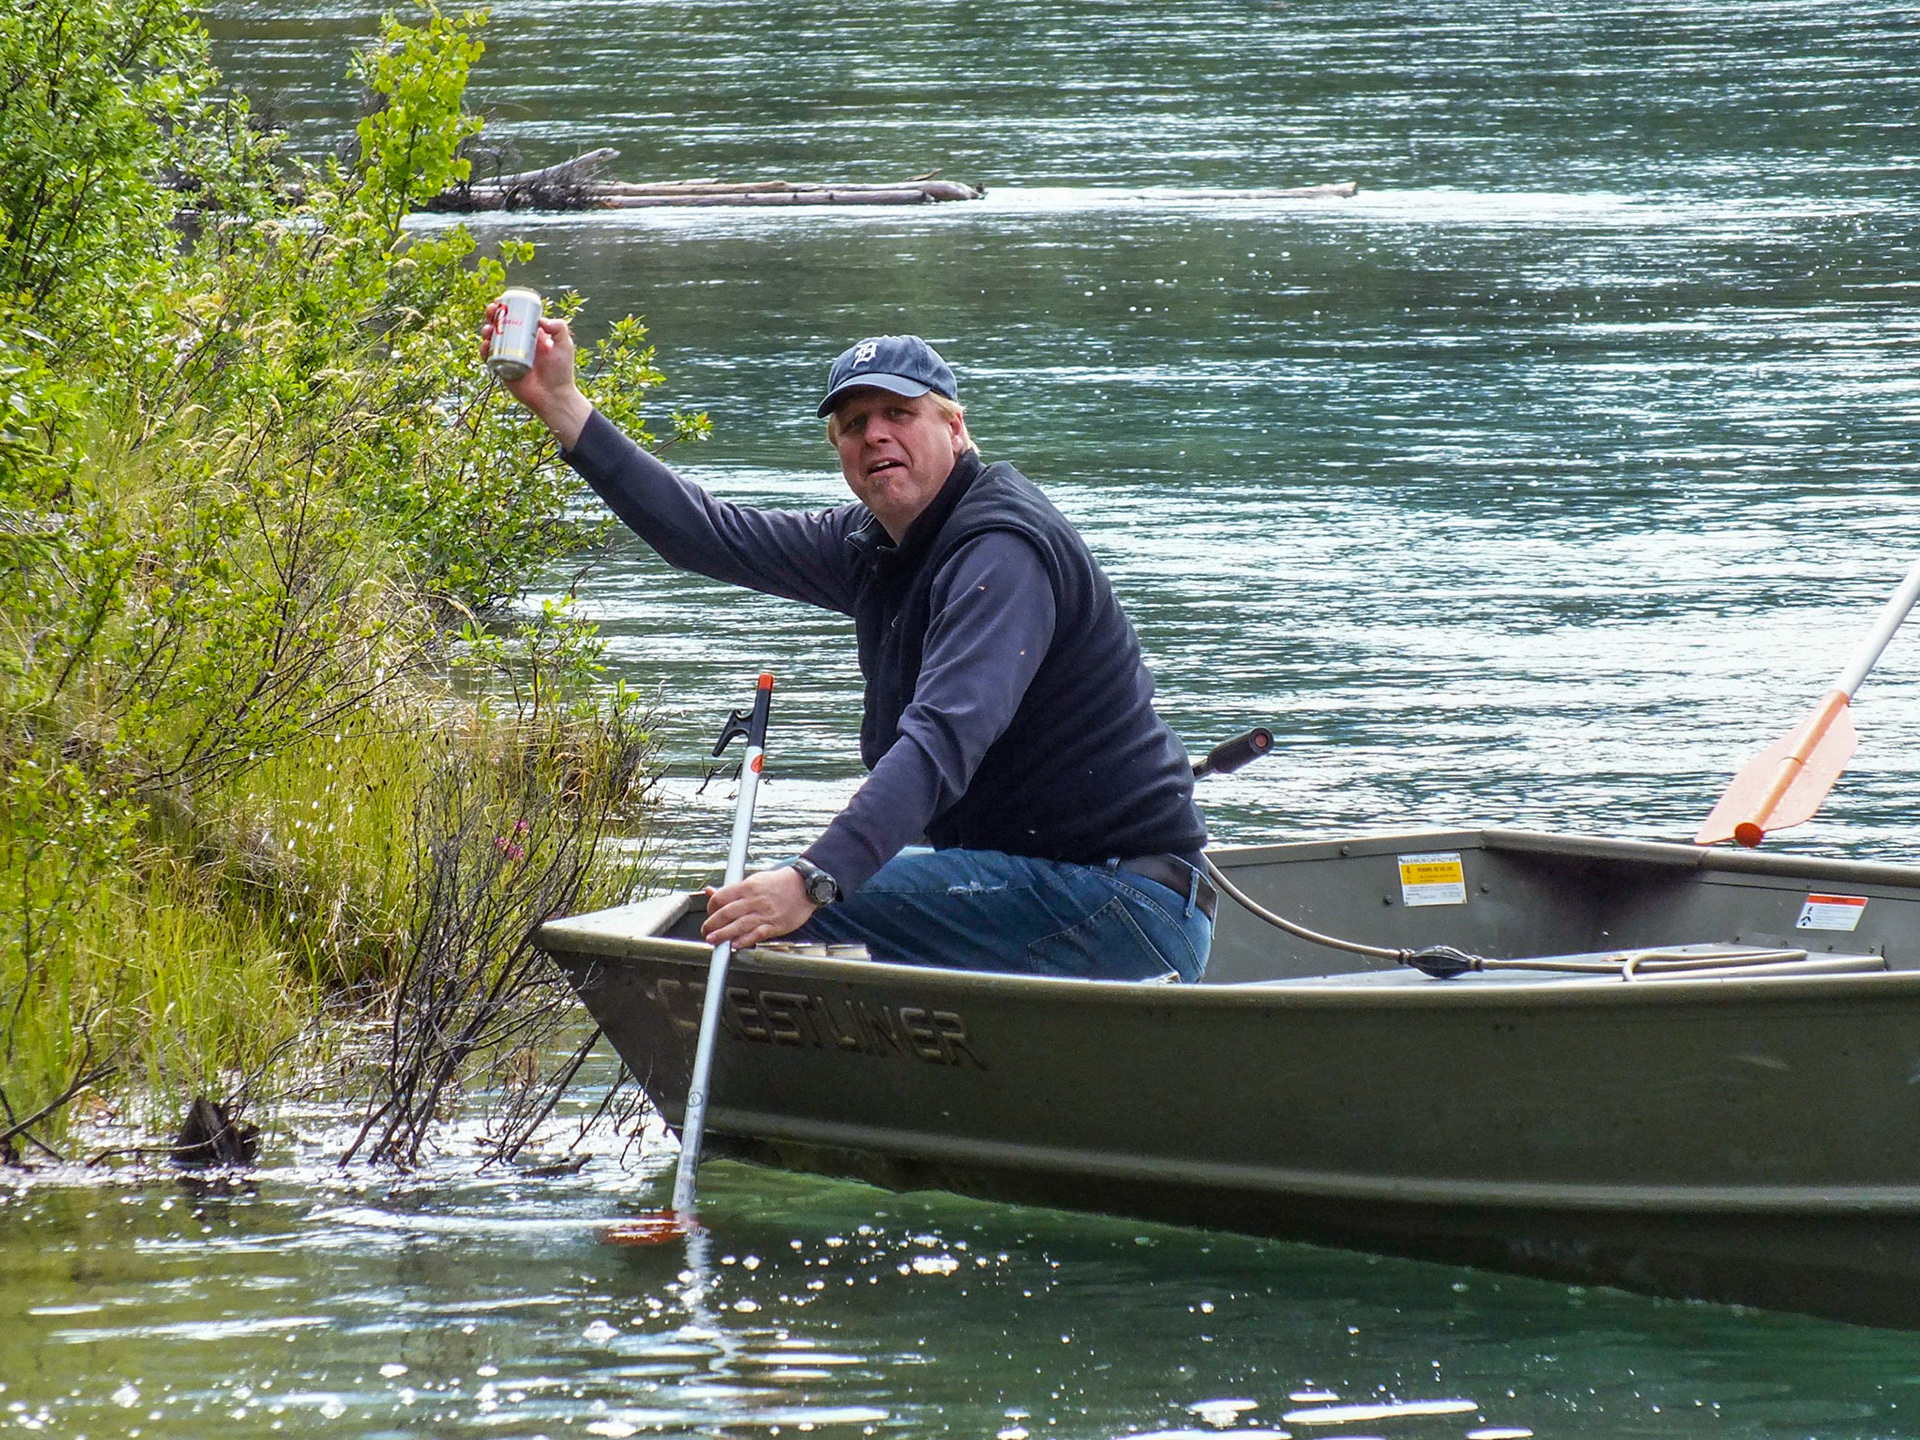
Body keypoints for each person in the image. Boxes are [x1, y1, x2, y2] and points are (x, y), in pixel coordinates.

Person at [484, 308, 1215, 982]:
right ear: (838, 447)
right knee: (777, 906)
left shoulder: (1001, 552)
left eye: (900, 413)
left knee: (773, 915)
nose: (875, 436)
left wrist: (812, 879)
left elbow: (940, 740)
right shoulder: (874, 545)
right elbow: (706, 533)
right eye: (855, 422)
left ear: (955, 429)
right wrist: (561, 403)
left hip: (1122, 908)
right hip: (1035, 883)